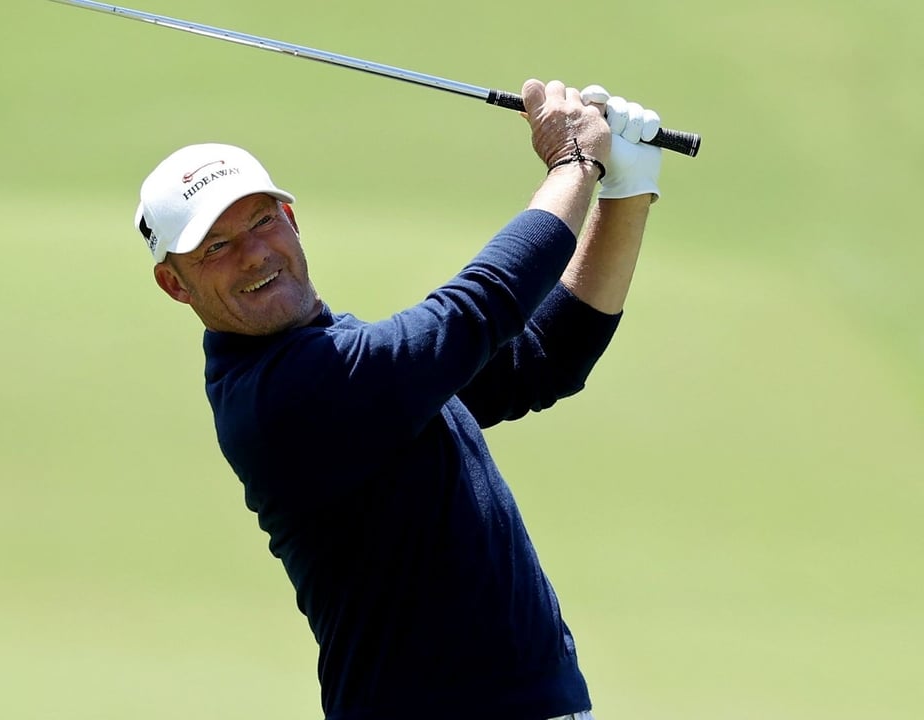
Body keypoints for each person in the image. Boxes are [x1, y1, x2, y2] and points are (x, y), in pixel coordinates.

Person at [133, 78, 664, 720]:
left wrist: (626, 193)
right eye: (216, 247)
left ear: (291, 219)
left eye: (261, 221)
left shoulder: (350, 359)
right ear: (175, 284)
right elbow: (477, 308)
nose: (253, 256)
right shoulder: (284, 398)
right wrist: (574, 163)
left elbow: (540, 360)